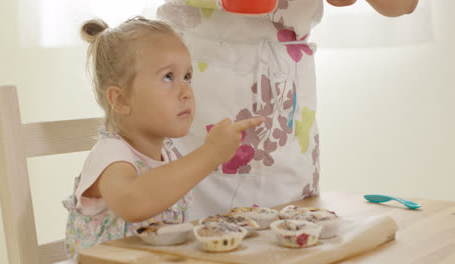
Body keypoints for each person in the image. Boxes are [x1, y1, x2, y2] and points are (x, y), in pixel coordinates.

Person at [156, 0, 419, 220]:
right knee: (180, 233)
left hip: (283, 103)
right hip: (186, 80)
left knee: (287, 234)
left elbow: (401, 5)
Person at [62, 16, 264, 259]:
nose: (186, 91)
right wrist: (210, 154)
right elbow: (132, 202)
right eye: (168, 77)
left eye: (187, 77)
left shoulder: (167, 154)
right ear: (121, 100)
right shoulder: (110, 154)